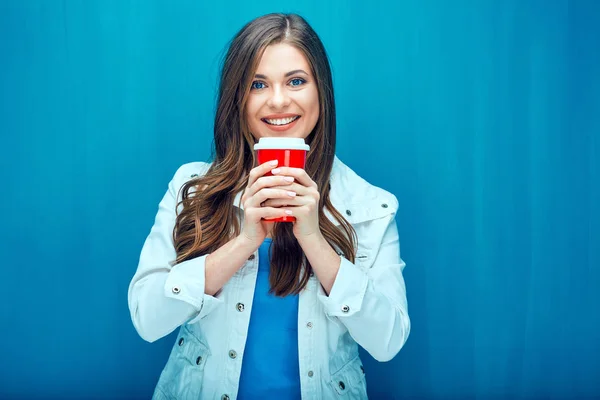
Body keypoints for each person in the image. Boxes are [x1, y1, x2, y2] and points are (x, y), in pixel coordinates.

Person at [128, 13, 410, 400]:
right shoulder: (192, 188)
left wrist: (312, 238)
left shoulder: (370, 206)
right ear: (238, 97)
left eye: (296, 81)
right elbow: (148, 318)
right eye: (258, 84)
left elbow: (388, 341)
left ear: (320, 92)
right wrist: (245, 239)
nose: (278, 100)